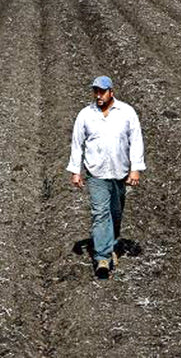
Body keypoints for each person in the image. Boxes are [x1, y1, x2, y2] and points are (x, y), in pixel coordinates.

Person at [66, 76, 146, 279]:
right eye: (96, 91)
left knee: (115, 213)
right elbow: (77, 143)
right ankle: (102, 258)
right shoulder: (85, 115)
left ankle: (112, 244)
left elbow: (136, 140)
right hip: (96, 173)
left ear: (111, 91)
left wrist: (135, 168)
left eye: (102, 91)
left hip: (120, 172)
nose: (98, 95)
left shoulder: (127, 112)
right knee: (100, 213)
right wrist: (75, 171)